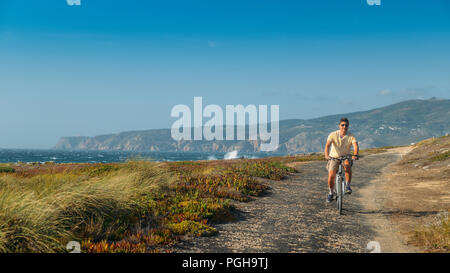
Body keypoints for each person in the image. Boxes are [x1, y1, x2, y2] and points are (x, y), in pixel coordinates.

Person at [324, 117, 359, 202]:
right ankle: (331, 193)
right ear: (339, 126)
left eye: (346, 125)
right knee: (331, 175)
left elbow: (355, 146)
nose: (344, 127)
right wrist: (326, 155)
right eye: (342, 125)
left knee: (347, 166)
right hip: (334, 157)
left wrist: (355, 154)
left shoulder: (351, 136)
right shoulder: (333, 134)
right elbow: (327, 145)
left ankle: (347, 186)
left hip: (345, 157)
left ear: (348, 126)